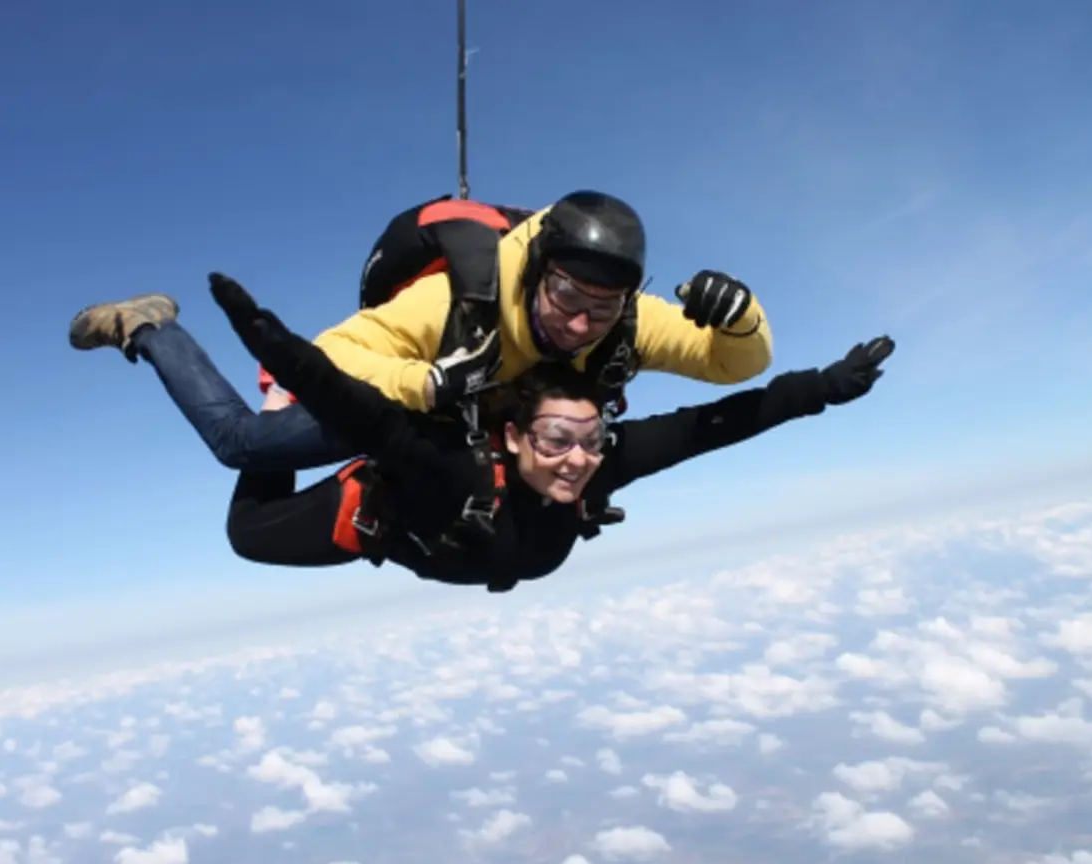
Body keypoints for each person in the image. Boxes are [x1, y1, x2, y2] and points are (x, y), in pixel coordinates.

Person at [210, 273, 894, 593]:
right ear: (511, 436)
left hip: (461, 547)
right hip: (394, 517)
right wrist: (279, 350)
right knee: (248, 534)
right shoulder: (454, 464)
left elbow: (713, 426)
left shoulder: (602, 464)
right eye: (559, 438)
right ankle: (165, 340)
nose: (577, 460)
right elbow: (363, 414)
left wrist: (824, 389)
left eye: (592, 439)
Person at [67, 191, 772, 482]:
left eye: (606, 304)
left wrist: (742, 319)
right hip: (408, 394)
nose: (582, 322)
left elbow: (729, 363)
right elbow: (335, 352)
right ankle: (150, 325)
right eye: (565, 296)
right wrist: (426, 383)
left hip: (486, 418)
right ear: (535, 273)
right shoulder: (455, 302)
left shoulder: (626, 319)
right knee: (246, 449)